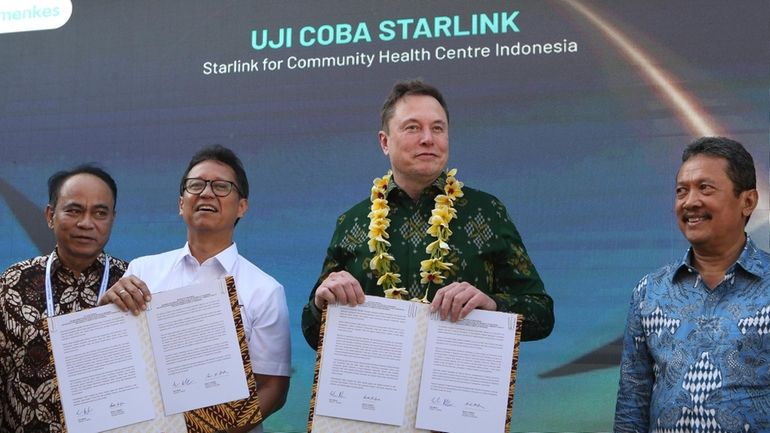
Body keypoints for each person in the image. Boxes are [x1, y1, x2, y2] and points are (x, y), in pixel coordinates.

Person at [301, 79, 554, 349]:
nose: (428, 139)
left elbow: (541, 313)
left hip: (460, 382)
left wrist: (493, 305)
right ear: (385, 142)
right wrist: (320, 303)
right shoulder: (352, 222)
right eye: (412, 128)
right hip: (375, 384)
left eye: (438, 128)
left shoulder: (487, 211)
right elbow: (311, 330)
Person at [100, 145, 290, 433]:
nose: (206, 193)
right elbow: (114, 360)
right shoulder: (142, 272)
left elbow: (273, 388)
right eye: (196, 185)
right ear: (180, 203)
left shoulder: (264, 290)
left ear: (242, 206)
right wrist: (105, 316)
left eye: (221, 186)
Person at [614, 137, 766, 431]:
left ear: (748, 201)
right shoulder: (650, 291)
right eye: (681, 191)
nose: (690, 201)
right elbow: (633, 402)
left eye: (705, 188)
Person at [0, 165, 128, 432]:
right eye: (74, 210)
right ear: (50, 215)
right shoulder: (12, 284)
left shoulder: (133, 283)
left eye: (100, 213)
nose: (86, 223)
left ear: (112, 219)